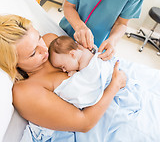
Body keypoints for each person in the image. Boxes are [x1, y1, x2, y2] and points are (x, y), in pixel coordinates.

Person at [1, 15, 160, 142]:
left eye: (38, 38)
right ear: (14, 64)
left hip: (119, 89)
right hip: (102, 118)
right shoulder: (26, 91)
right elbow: (84, 123)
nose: (44, 50)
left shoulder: (50, 42)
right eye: (33, 54)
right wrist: (115, 84)